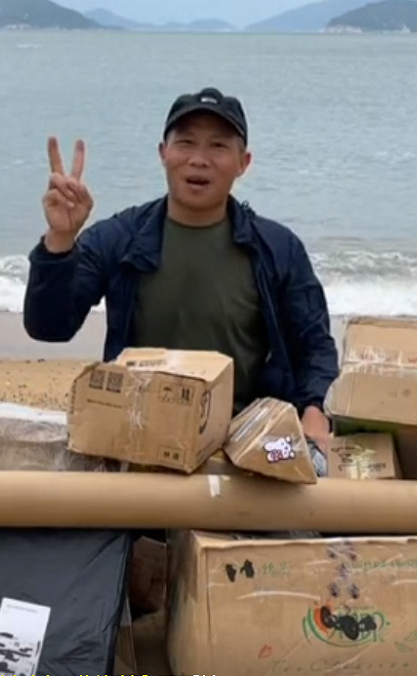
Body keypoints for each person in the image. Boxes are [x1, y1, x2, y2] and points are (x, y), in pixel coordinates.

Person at [22, 86, 340, 472]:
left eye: (218, 146)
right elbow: (48, 327)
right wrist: (60, 241)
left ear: (243, 162)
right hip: (139, 437)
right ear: (163, 153)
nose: (199, 160)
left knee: (320, 467)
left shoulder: (277, 247)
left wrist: (315, 412)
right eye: (185, 143)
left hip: (247, 443)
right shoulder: (120, 237)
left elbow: (314, 345)